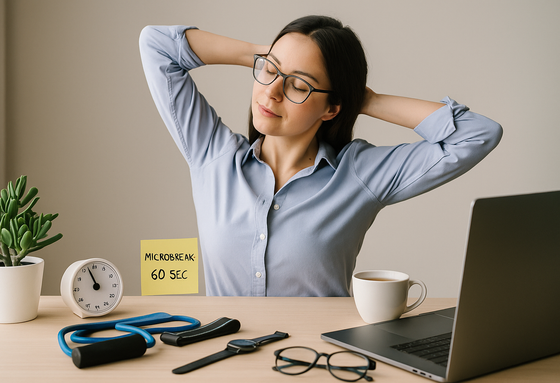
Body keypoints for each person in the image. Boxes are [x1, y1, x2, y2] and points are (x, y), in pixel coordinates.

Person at [139, 15, 502, 297]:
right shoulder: (212, 155)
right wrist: (262, 53)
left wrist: (365, 100)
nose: (272, 92)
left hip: (321, 366)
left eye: (298, 84)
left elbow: (478, 134)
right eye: (268, 71)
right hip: (224, 366)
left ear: (331, 109)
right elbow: (156, 44)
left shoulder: (360, 173)